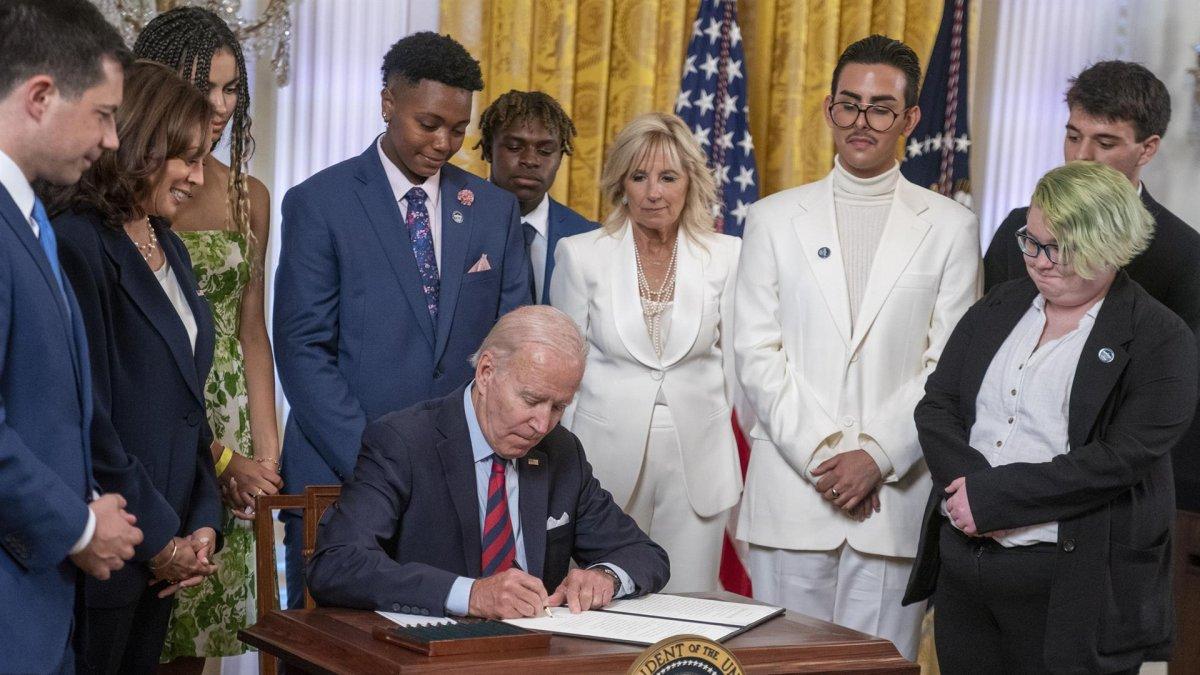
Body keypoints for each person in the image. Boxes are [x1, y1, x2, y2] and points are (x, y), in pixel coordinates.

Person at [733, 34, 980, 660]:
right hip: (793, 494)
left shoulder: (951, 227)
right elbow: (757, 355)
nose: (861, 121)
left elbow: (947, 364)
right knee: (778, 668)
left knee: (875, 668)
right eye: (849, 104)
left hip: (893, 503)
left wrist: (875, 455)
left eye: (880, 108)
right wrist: (827, 456)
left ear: (910, 119)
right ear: (827, 108)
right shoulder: (770, 218)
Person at [905, 161, 1197, 673]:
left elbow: (1119, 460)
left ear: (1110, 245)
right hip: (965, 577)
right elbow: (938, 405)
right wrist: (968, 485)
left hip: (1072, 589)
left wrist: (995, 498)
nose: (1039, 261)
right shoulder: (1002, 303)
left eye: (1059, 248)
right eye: (1032, 241)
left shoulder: (1161, 337)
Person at [274, 31, 528, 608]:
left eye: (459, 130)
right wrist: (378, 464)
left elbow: (510, 347)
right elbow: (303, 350)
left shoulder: (493, 210)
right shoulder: (319, 202)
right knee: (328, 654)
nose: (445, 143)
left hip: (459, 480)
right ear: (388, 102)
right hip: (338, 476)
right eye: (429, 123)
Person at [307, 306, 669, 617]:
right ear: (486, 373)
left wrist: (605, 577)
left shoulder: (561, 451)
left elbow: (644, 554)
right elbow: (337, 564)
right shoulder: (403, 442)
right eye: (531, 400)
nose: (543, 424)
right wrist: (471, 595)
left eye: (558, 407)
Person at [981, 62, 1200, 559]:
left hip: (1110, 522)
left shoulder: (1184, 256)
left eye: (1104, 143)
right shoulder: (1017, 230)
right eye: (1073, 136)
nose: (1081, 157)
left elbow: (1171, 410)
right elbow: (978, 364)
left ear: (1148, 148)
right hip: (992, 503)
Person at [47, 61, 222, 674]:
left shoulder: (166, 241)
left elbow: (187, 404)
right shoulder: (77, 242)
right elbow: (88, 417)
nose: (200, 178)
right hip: (108, 551)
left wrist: (203, 524)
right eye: (188, 158)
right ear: (145, 145)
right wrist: (158, 538)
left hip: (164, 552)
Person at [132, 7, 281, 668]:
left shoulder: (252, 196)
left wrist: (266, 454)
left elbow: (254, 331)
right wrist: (220, 457)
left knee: (203, 637)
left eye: (231, 90)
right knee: (146, 619)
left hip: (233, 425)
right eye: (205, 88)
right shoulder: (128, 195)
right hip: (163, 421)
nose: (219, 106)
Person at [0, 2, 143, 671]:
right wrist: (80, 525)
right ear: (39, 96)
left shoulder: (34, 219)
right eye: (104, 114)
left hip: (40, 602)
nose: (114, 140)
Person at [551, 112, 741, 592]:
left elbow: (741, 372)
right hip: (602, 463)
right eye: (639, 177)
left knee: (689, 606)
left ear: (690, 183)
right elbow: (563, 376)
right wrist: (561, 471)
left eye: (668, 177)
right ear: (622, 184)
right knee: (604, 606)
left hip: (699, 463)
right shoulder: (581, 254)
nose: (654, 192)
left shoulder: (728, 255)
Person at [478, 89, 597, 304]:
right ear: (488, 149)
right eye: (514, 147)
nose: (530, 160)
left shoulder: (588, 237)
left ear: (560, 157)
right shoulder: (452, 221)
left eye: (545, 151)